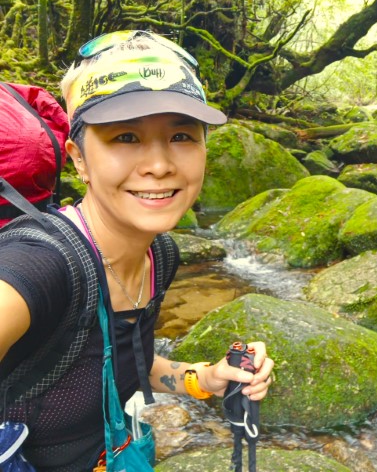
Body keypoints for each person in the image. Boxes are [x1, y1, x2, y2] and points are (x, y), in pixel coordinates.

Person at [0, 30, 274, 471]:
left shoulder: (158, 255)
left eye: (182, 136)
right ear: (79, 159)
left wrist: (205, 378)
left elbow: (129, 362)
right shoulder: (41, 263)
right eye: (125, 137)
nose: (160, 164)